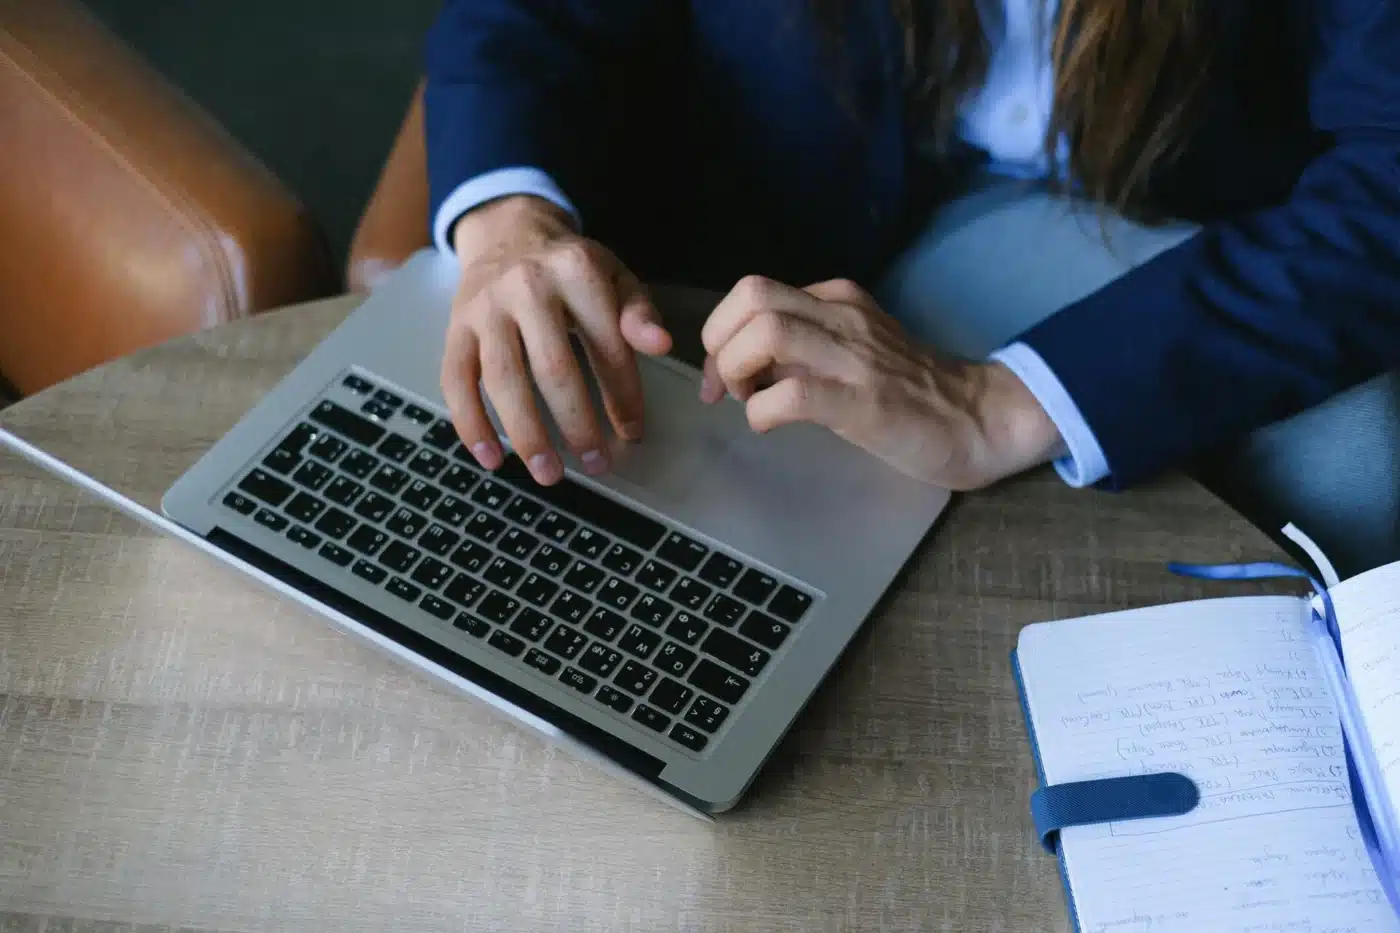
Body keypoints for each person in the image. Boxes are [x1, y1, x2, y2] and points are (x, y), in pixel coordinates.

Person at [420, 0, 1400, 558]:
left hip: (1148, 192)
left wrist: (1001, 402)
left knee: (1358, 466)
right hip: (763, 208)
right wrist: (508, 227)